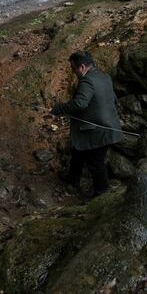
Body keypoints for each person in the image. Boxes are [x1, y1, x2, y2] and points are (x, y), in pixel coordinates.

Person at [51, 51, 123, 197]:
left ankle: (101, 194)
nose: (73, 72)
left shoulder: (87, 80)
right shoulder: (105, 77)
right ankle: (73, 178)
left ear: (82, 67)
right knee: (79, 150)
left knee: (96, 164)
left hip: (98, 131)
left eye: (74, 69)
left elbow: (80, 104)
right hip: (108, 126)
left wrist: (59, 109)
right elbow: (114, 100)